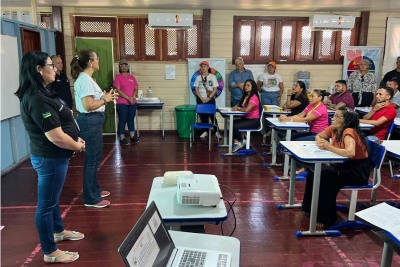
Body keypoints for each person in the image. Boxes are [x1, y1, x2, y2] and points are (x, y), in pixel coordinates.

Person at [15, 51, 86, 263]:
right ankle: (50, 251)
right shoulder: (36, 98)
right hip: (50, 157)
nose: (55, 68)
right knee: (46, 205)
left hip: (54, 157)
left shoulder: (43, 92)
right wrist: (76, 145)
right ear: (39, 70)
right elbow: (55, 136)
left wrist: (75, 137)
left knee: (52, 200)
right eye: (50, 65)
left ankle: (58, 231)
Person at [301, 107, 370, 228]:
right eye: (334, 116)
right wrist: (320, 142)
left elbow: (350, 153)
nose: (333, 118)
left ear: (346, 121)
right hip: (342, 164)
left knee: (327, 178)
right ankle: (310, 207)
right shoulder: (334, 128)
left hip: (356, 170)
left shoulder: (348, 131)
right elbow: (319, 136)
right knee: (314, 172)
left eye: (338, 117)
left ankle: (326, 219)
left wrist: (328, 146)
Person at [71, 49, 117, 208]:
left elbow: (92, 100)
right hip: (89, 122)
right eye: (96, 58)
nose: (98, 61)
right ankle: (91, 198)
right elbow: (88, 105)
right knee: (92, 160)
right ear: (90, 62)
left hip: (93, 122)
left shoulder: (87, 79)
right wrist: (105, 99)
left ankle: (95, 189)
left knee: (95, 159)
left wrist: (103, 97)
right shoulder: (85, 80)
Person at [231, 79, 261, 152]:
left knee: (235, 126)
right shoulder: (246, 95)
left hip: (254, 121)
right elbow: (240, 104)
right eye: (245, 85)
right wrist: (236, 106)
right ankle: (238, 141)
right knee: (233, 123)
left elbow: (247, 109)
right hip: (248, 119)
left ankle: (240, 141)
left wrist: (237, 108)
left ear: (253, 87)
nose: (246, 87)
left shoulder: (253, 97)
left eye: (248, 85)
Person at [113, 59, 139, 145]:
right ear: (119, 68)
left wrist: (133, 97)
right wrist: (128, 97)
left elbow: (136, 88)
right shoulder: (118, 77)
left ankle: (132, 136)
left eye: (126, 65)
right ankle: (122, 138)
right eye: (122, 65)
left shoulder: (132, 77)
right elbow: (118, 90)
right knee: (123, 119)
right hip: (122, 102)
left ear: (128, 67)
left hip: (132, 102)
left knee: (131, 119)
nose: (124, 67)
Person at [194, 61, 221, 140]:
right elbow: (196, 89)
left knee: (213, 117)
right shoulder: (198, 78)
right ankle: (204, 132)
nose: (203, 67)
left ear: (208, 67)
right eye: (202, 66)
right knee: (203, 116)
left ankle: (217, 132)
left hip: (210, 98)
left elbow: (215, 89)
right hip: (200, 99)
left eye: (205, 66)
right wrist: (202, 98)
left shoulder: (212, 77)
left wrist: (208, 98)